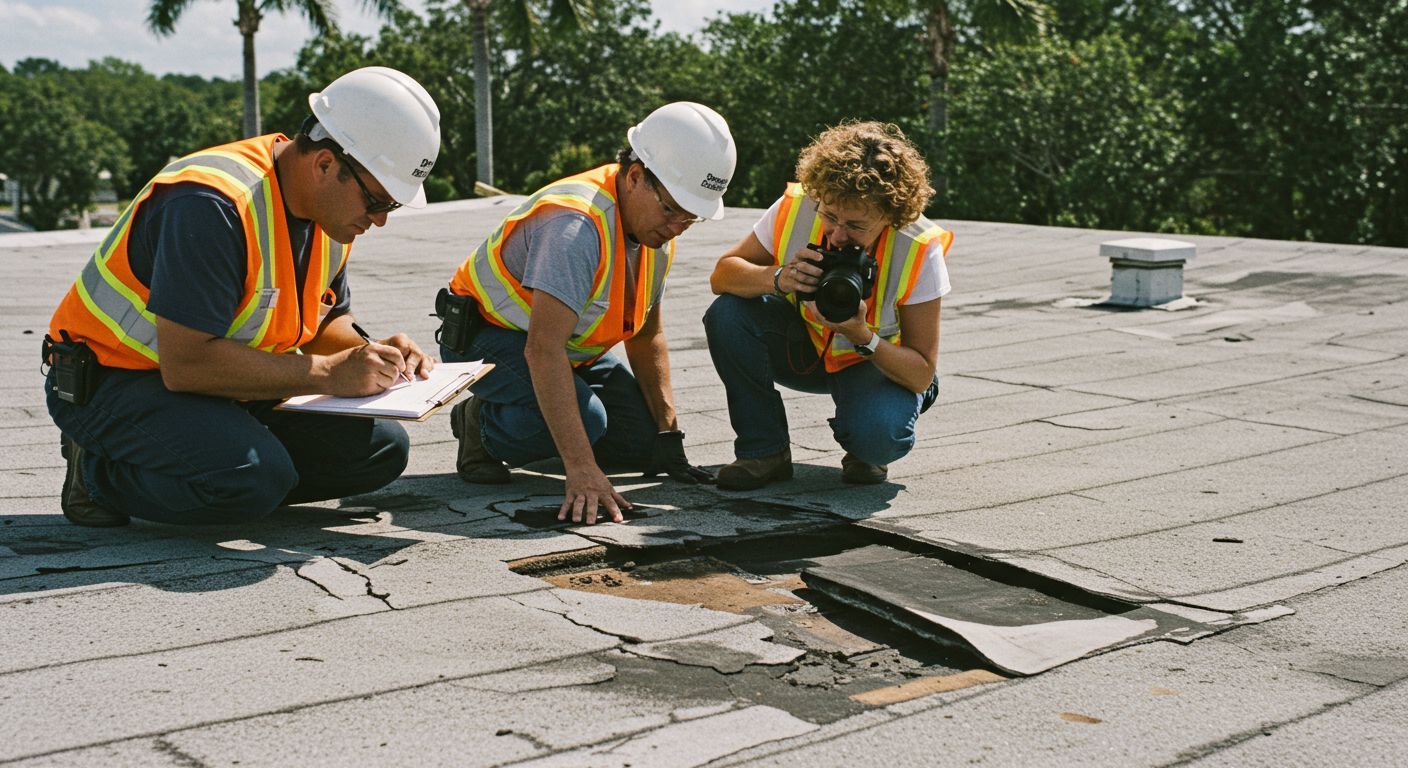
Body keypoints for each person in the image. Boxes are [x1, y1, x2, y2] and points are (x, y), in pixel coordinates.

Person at [43, 66, 442, 527]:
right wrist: (329, 374)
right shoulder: (210, 205)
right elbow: (187, 364)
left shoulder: (330, 214)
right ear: (326, 164)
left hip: (215, 380)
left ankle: (226, 467)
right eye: (378, 201)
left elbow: (324, 321)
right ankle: (95, 471)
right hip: (111, 382)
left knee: (380, 450)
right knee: (250, 479)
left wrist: (371, 355)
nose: (380, 220)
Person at [440, 102, 735, 525]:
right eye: (672, 210)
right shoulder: (574, 227)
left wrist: (668, 431)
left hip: (564, 352)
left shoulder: (655, 233)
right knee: (591, 421)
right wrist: (580, 469)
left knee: (639, 442)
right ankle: (481, 426)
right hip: (485, 340)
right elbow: (543, 350)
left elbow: (646, 334)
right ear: (635, 177)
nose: (676, 227)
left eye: (691, 218)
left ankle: (552, 418)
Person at [703, 121, 952, 490]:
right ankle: (764, 451)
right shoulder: (798, 206)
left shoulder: (917, 246)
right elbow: (721, 275)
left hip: (874, 363)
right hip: (804, 351)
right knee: (728, 314)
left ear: (890, 215)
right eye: (829, 216)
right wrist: (776, 277)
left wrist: (861, 335)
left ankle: (865, 441)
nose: (837, 235)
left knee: (879, 436)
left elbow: (920, 373)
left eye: (856, 225)